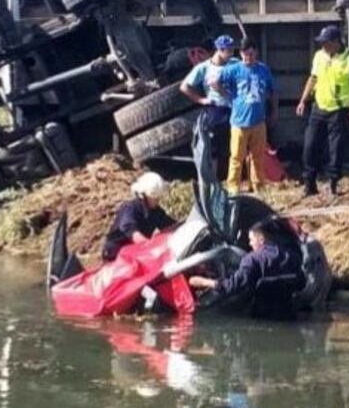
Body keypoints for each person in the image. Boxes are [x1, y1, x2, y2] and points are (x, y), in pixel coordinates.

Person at [296, 25, 349, 197]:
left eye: (326, 42)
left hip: (339, 110)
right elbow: (313, 79)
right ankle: (310, 184)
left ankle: (332, 183)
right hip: (319, 106)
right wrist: (303, 100)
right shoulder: (319, 56)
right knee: (310, 145)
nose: (323, 46)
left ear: (336, 42)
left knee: (336, 149)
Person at [189, 220, 303, 318]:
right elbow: (301, 282)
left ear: (261, 240)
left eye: (251, 240)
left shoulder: (252, 260)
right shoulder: (290, 255)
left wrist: (204, 282)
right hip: (288, 313)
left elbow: (231, 287)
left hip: (263, 317)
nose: (249, 244)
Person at [211, 37, 277, 195]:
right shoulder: (233, 69)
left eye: (251, 54)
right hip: (239, 122)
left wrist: (274, 111)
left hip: (258, 121)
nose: (248, 58)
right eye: (245, 54)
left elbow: (273, 90)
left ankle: (258, 184)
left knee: (258, 156)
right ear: (241, 54)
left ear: (256, 53)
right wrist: (227, 95)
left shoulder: (263, 69)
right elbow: (214, 82)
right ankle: (233, 186)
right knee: (236, 156)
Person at [180, 35, 238, 177]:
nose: (231, 54)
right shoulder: (204, 67)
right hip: (216, 108)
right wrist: (200, 100)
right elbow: (184, 86)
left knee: (234, 145)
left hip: (235, 107)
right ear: (219, 50)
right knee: (214, 147)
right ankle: (213, 178)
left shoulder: (235, 64)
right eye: (228, 51)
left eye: (232, 51)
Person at [101, 172, 177, 261]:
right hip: (116, 255)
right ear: (143, 195)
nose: (157, 201)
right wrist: (150, 248)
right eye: (154, 198)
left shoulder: (156, 211)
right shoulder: (130, 208)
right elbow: (130, 230)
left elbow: (170, 225)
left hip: (135, 254)